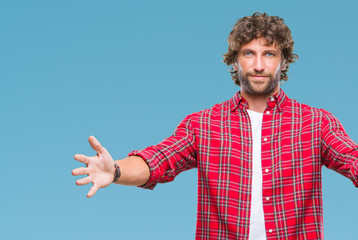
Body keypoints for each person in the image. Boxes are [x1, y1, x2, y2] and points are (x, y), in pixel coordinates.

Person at [72, 12, 358, 240]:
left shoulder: (316, 123)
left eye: (269, 54)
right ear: (234, 62)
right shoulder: (205, 124)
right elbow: (158, 160)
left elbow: (351, 158)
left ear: (283, 62)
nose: (258, 65)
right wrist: (116, 170)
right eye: (248, 54)